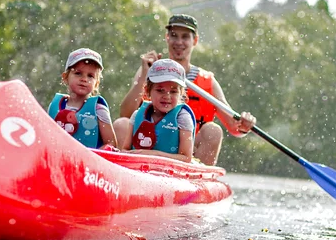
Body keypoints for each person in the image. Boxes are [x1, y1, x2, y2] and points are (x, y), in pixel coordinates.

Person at [114, 14, 256, 165]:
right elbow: (126, 114)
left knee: (213, 131)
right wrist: (144, 74)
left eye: (185, 37)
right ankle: (126, 173)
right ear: (167, 37)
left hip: (187, 153)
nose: (179, 42)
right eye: (174, 36)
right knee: (121, 123)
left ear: (194, 40)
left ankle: (195, 182)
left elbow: (234, 126)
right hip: (149, 143)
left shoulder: (208, 81)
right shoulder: (151, 71)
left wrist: (244, 125)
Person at [118, 59, 195, 163]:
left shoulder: (183, 118)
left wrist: (154, 155)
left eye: (173, 91)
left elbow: (186, 158)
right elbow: (125, 149)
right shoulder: (137, 115)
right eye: (160, 90)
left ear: (181, 94)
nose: (167, 96)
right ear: (147, 91)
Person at [48, 48, 118, 149]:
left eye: (90, 76)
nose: (84, 79)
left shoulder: (99, 109)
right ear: (65, 77)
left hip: (88, 163)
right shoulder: (54, 106)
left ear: (96, 83)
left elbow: (111, 143)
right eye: (78, 73)